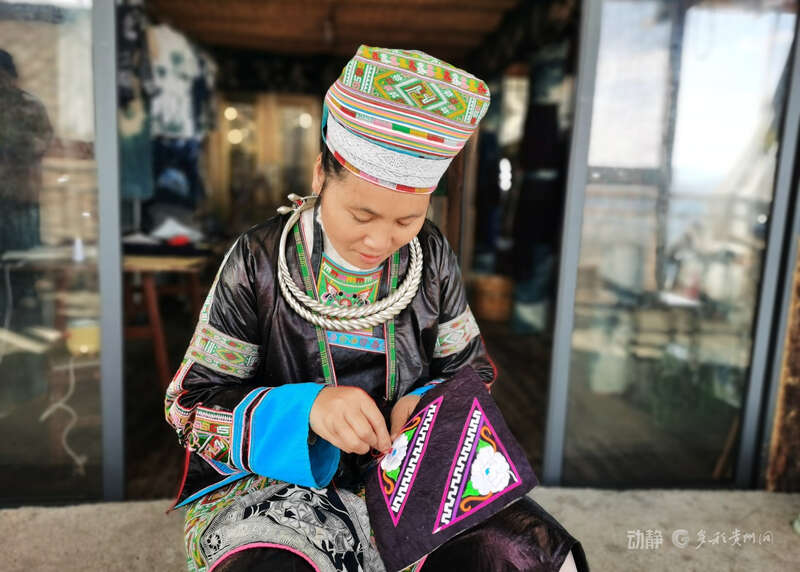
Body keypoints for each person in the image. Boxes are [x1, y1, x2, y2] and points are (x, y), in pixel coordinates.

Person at [165, 45, 588, 572]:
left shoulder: (431, 254)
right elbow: (189, 406)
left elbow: (471, 372)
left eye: (407, 220)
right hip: (277, 484)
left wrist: (424, 406)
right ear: (320, 176)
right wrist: (309, 410)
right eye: (361, 215)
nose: (381, 240)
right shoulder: (258, 259)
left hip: (413, 476)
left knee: (531, 556)